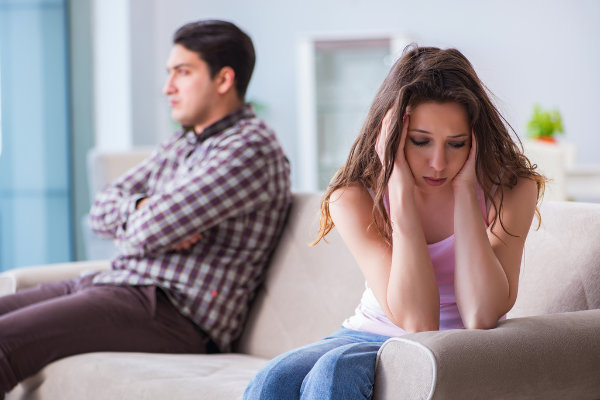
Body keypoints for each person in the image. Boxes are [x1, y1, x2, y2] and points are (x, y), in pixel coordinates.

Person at [0, 20, 291, 396]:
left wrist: (146, 220)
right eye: (169, 73)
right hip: (120, 284)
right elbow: (103, 205)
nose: (168, 87)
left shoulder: (249, 149)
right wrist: (144, 208)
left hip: (175, 311)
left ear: (223, 80)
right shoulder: (183, 143)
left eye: (182, 73)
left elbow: (147, 231)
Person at [244, 45, 545, 400]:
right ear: (391, 137)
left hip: (451, 345)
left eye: (456, 144)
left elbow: (464, 318)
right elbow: (407, 318)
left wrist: (466, 191)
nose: (438, 162)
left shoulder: (511, 189)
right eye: (420, 142)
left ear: (476, 138)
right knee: (272, 380)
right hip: (363, 334)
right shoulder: (353, 195)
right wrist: (397, 187)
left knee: (333, 373)